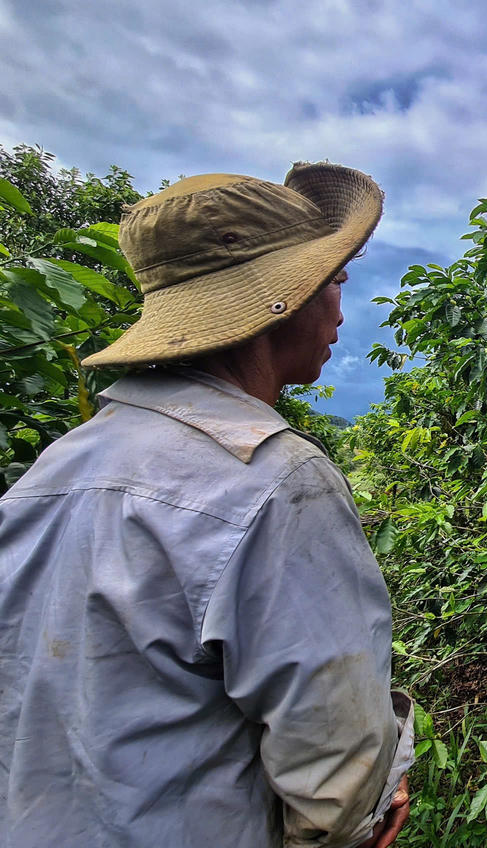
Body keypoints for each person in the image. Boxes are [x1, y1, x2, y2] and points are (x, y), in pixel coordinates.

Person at [0, 166, 415, 848]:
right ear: (288, 299)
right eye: (335, 281)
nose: (341, 311)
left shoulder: (57, 467)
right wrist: (371, 805)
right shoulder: (276, 481)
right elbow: (339, 779)